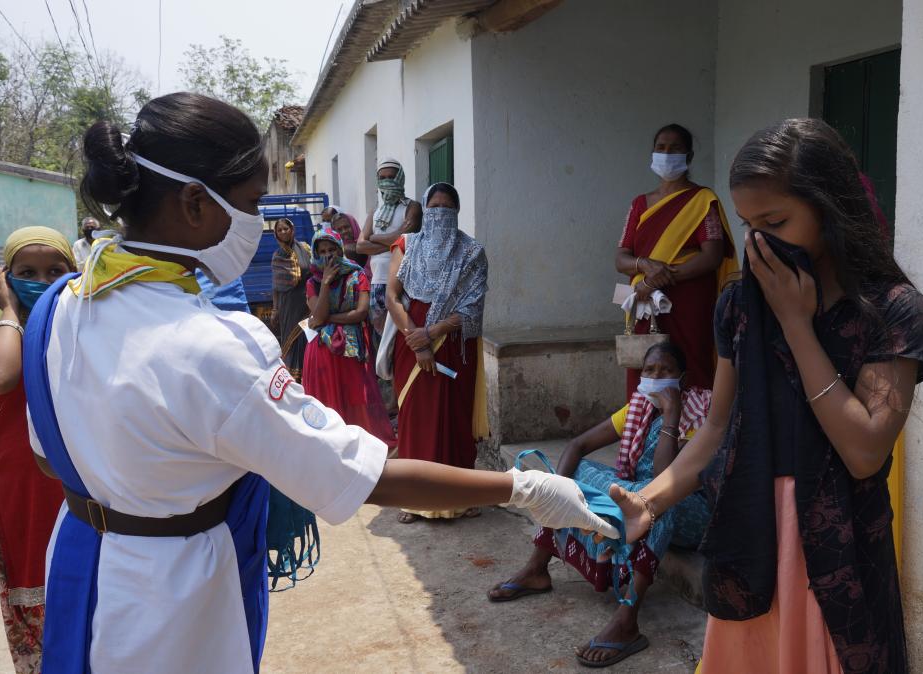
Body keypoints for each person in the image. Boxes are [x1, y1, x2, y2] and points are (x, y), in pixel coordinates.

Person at [32, 92, 619, 674]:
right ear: (194, 203)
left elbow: (47, 455)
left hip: (81, 564)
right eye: (252, 203)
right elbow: (361, 475)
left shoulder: (62, 306)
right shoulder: (213, 346)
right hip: (168, 600)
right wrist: (525, 489)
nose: (259, 223)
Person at [609, 118, 923, 673]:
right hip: (752, 530)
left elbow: (864, 450)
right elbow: (717, 427)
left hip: (838, 543)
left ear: (830, 208)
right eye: (749, 224)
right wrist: (651, 500)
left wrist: (797, 324)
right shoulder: (739, 306)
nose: (759, 241)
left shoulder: (891, 309)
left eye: (776, 222)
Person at [488, 342, 713, 668]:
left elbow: (666, 478)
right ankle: (537, 568)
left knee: (658, 505)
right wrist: (559, 489)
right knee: (576, 474)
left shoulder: (700, 412)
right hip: (638, 494)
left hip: (689, 509)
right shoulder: (637, 407)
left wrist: (672, 415)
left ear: (683, 378)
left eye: (666, 371)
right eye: (649, 370)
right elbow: (577, 445)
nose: (656, 378)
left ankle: (627, 621)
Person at [0, 226, 76, 673]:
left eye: (55, 270)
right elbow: (0, 377)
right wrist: (10, 311)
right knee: (34, 581)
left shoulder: (85, 331)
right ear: (6, 278)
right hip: (25, 487)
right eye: (27, 272)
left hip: (78, 483)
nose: (42, 280)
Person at [385, 182, 488, 523]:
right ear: (424, 210)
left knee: (454, 418)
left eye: (447, 207)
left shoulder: (472, 253)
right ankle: (414, 498)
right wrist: (417, 341)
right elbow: (392, 297)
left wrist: (432, 333)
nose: (440, 213)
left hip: (454, 345)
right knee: (416, 416)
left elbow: (473, 308)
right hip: (410, 340)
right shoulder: (406, 245)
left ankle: (460, 496)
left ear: (456, 212)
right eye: (434, 207)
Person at [615, 123, 738, 396]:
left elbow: (712, 256)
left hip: (689, 301)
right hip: (645, 301)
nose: (667, 154)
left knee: (692, 364)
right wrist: (644, 266)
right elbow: (621, 258)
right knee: (644, 365)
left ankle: (694, 422)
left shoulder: (703, 200)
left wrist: (656, 280)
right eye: (661, 148)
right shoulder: (639, 204)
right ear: (652, 153)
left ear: (689, 156)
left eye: (675, 148)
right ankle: (644, 421)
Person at [302, 226, 394, 446]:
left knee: (357, 398)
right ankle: (332, 447)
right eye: (322, 251)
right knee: (328, 403)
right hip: (323, 352)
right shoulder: (313, 282)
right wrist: (326, 283)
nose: (327, 255)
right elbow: (318, 315)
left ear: (340, 249)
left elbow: (361, 313)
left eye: (331, 249)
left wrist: (328, 319)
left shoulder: (357, 275)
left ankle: (361, 447)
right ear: (316, 254)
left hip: (351, 350)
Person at [357, 159, 421, 335]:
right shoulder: (375, 212)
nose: (387, 182)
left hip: (404, 283)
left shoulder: (412, 207)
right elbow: (360, 246)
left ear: (400, 178)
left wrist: (374, 237)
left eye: (391, 177)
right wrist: (395, 242)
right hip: (377, 283)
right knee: (381, 338)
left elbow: (404, 238)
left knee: (403, 335)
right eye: (382, 178)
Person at [269, 217, 312, 380]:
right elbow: (276, 286)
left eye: (285, 229)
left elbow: (314, 272)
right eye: (279, 230)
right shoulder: (277, 256)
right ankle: (294, 376)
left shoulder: (305, 249)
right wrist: (275, 309)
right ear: (276, 234)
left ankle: (308, 370)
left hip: (307, 302)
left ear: (292, 230)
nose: (283, 232)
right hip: (288, 305)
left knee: (307, 334)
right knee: (291, 339)